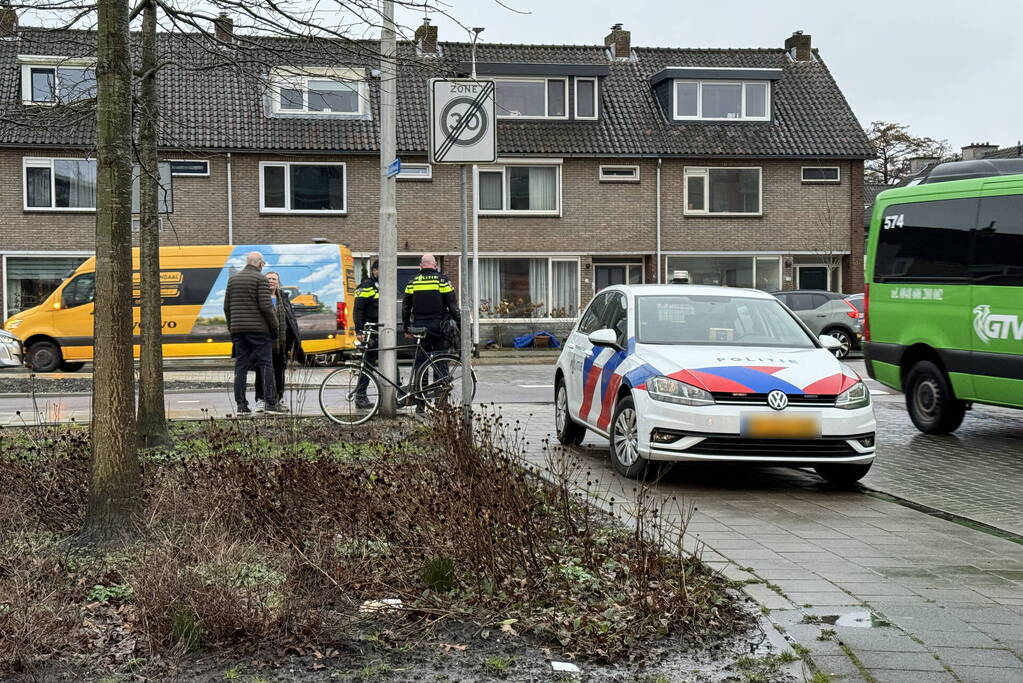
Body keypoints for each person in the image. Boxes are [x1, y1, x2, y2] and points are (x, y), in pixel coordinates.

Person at [224, 251, 282, 415]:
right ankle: (271, 403)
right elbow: (266, 307)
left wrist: (232, 327)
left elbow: (226, 307)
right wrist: (274, 327)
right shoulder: (260, 279)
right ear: (259, 263)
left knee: (241, 367)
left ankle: (241, 405)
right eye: (263, 264)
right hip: (259, 331)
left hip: (238, 331)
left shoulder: (233, 279)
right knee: (266, 365)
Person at [402, 254, 459, 410]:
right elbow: (452, 304)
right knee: (441, 362)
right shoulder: (442, 280)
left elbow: (406, 306)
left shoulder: (412, 281)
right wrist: (459, 324)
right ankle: (441, 403)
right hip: (439, 327)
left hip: (420, 328)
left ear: (421, 265)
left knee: (421, 364)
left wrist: (406, 327)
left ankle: (421, 404)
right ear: (435, 265)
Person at [254, 271, 305, 412]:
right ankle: (261, 399)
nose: (271, 281)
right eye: (268, 278)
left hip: (281, 342)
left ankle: (278, 399)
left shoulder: (283, 298)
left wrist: (294, 340)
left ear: (278, 282)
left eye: (274, 279)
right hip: (264, 341)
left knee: (279, 371)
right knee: (261, 371)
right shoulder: (259, 296)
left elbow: (291, 319)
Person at [353, 260, 380, 409]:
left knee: (391, 362)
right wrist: (359, 331)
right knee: (368, 364)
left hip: (384, 330)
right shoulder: (366, 286)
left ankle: (395, 395)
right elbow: (358, 310)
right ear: (374, 270)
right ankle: (360, 396)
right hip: (371, 331)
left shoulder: (385, 285)